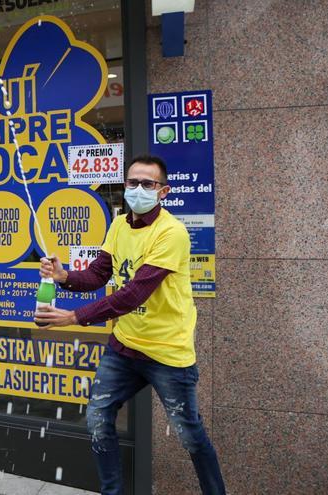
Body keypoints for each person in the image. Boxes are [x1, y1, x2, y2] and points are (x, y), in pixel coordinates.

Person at [35, 155, 226, 495]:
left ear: (163, 191)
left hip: (168, 354)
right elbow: (98, 273)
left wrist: (73, 317)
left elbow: (133, 294)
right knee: (97, 419)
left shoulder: (172, 233)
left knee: (191, 437)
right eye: (132, 182)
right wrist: (64, 276)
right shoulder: (119, 224)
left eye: (147, 184)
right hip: (124, 347)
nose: (138, 189)